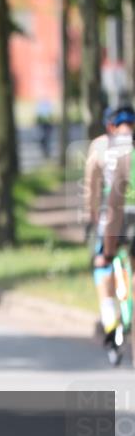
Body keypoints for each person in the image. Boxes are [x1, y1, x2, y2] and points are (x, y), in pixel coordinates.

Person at [84, 104, 135, 348]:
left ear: (109, 126)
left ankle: (109, 318)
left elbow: (91, 185)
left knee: (102, 263)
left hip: (112, 215)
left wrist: (91, 213)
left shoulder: (100, 146)